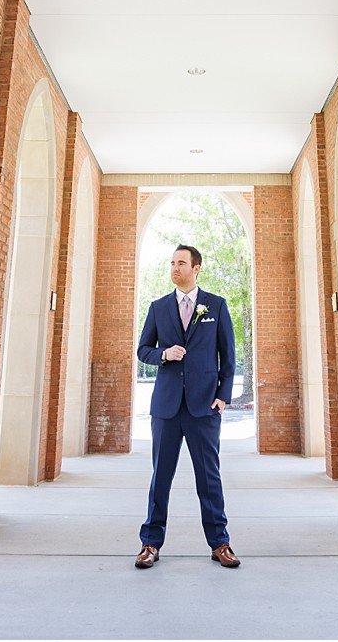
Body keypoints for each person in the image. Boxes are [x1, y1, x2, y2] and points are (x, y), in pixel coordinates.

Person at [133, 243, 238, 569]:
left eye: (181, 263)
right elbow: (143, 350)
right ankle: (150, 543)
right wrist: (164, 354)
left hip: (204, 407)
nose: (175, 268)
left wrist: (223, 396)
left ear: (196, 268)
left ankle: (220, 543)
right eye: (172, 263)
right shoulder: (158, 307)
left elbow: (228, 357)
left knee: (209, 478)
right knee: (160, 478)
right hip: (166, 407)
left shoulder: (216, 307)